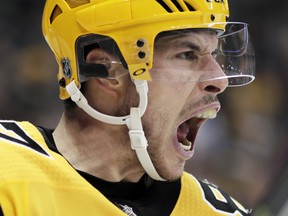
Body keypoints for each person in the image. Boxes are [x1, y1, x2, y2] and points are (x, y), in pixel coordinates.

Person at [0, 0, 255, 215]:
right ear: (108, 70)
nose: (219, 79)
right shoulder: (8, 175)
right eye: (187, 54)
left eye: (214, 54)